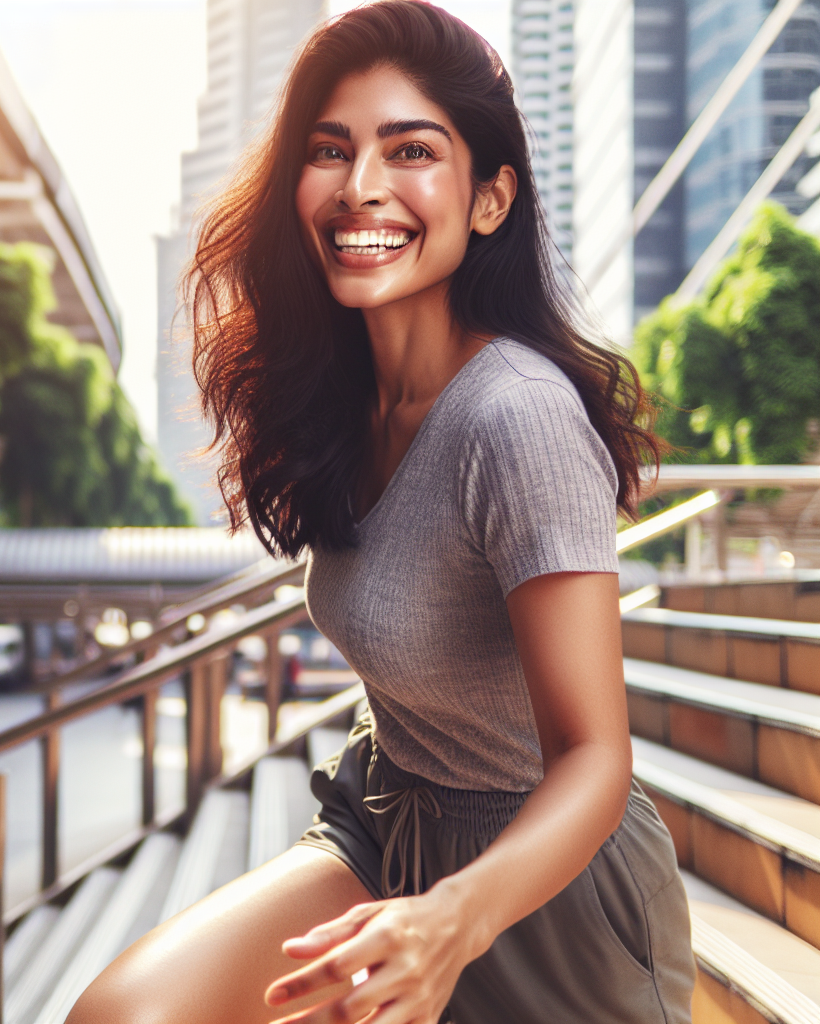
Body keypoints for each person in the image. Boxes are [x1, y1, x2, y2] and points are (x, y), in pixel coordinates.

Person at [68, 3, 695, 1022]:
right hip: (384, 817)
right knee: (122, 1015)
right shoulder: (344, 400)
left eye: (410, 150)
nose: (361, 185)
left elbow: (596, 757)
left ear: (489, 199)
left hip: (546, 889)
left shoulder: (516, 416)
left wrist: (454, 914)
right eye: (331, 149)